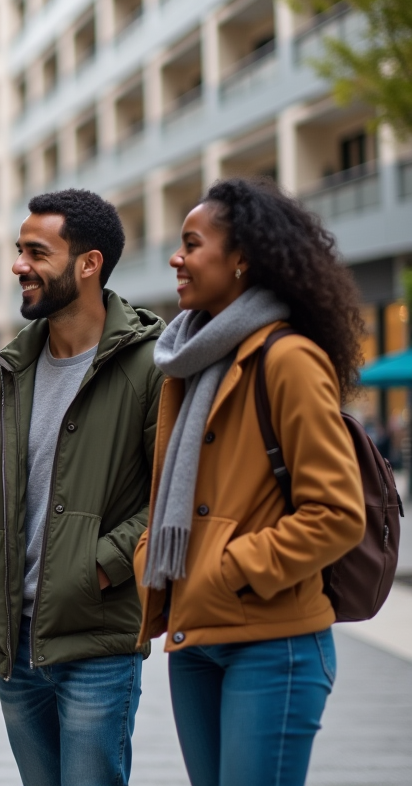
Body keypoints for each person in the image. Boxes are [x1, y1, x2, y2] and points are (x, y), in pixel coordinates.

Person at [135, 178, 366, 786]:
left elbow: (337, 513)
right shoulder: (190, 359)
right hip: (194, 638)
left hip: (273, 642)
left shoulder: (288, 359)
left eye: (192, 243)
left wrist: (229, 567)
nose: (176, 257)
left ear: (242, 260)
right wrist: (151, 557)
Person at [0, 189, 163, 786]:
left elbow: (171, 496)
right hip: (15, 641)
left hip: (99, 638)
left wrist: (98, 567)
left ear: (88, 263)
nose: (18, 265)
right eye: (18, 249)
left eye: (36, 251)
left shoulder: (152, 365)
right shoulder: (10, 370)